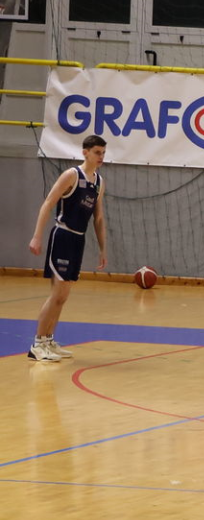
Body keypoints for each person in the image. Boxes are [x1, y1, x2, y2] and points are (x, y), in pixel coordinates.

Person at [26, 134, 107, 361]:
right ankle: (37, 344)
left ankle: (49, 340)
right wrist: (37, 236)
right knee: (57, 294)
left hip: (78, 240)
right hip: (63, 236)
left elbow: (99, 218)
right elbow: (48, 203)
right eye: (97, 152)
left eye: (103, 153)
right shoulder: (71, 175)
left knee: (63, 296)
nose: (101, 156)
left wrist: (103, 249)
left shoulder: (99, 182)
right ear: (85, 152)